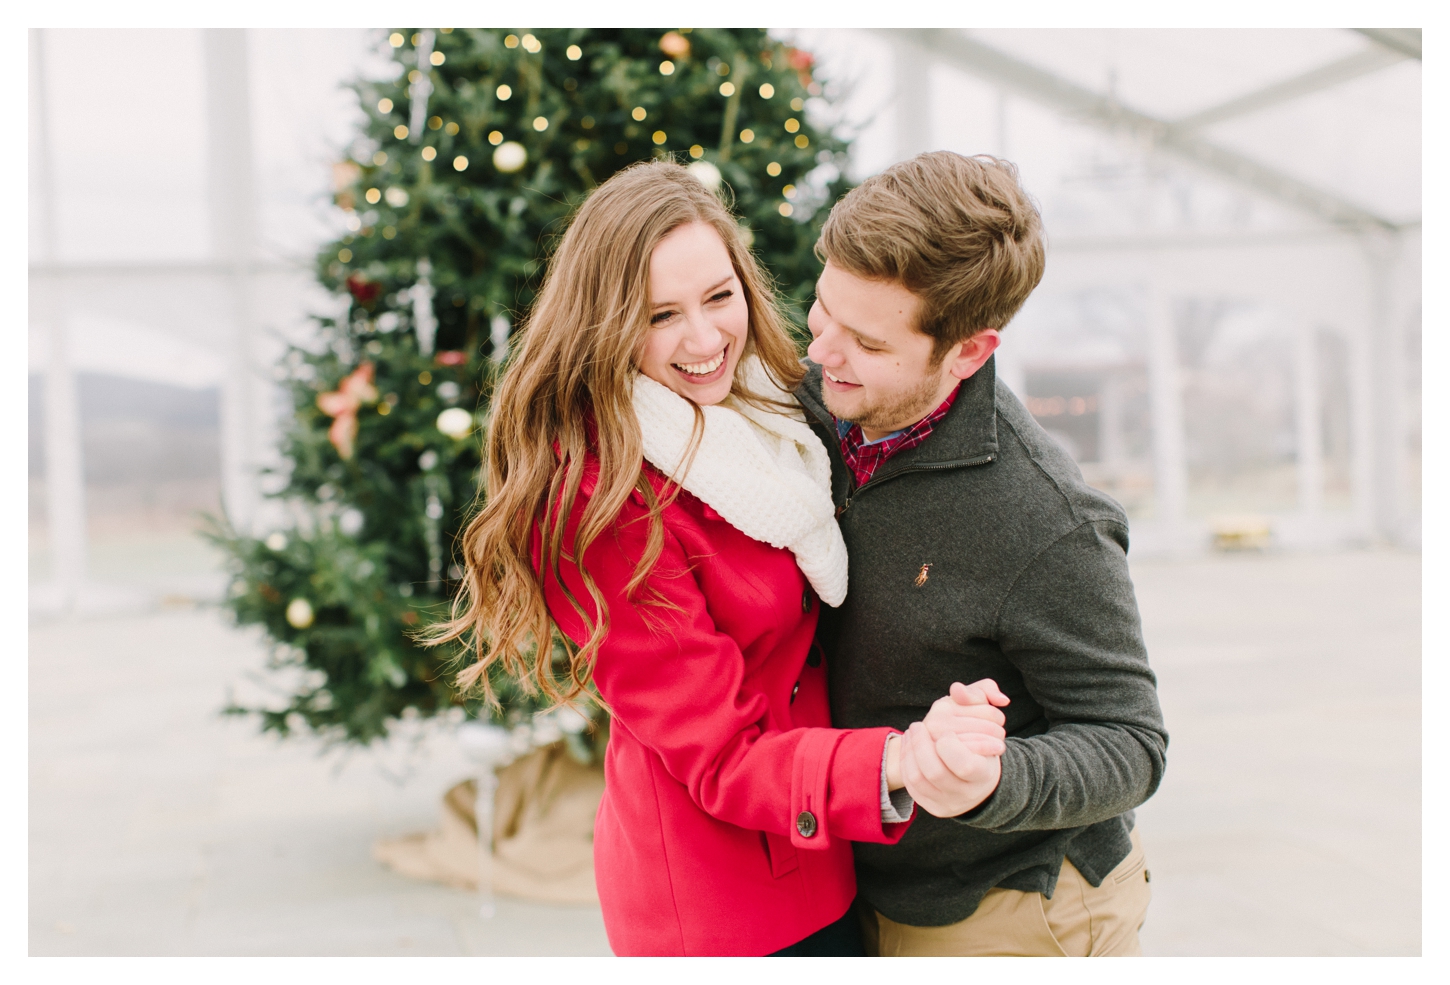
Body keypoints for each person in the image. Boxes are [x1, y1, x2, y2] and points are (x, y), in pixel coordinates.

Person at [432, 160, 1010, 957]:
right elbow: (723, 753)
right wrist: (902, 757)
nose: (704, 340)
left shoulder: (765, 409)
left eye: (718, 297)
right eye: (660, 314)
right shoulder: (603, 502)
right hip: (721, 908)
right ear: (603, 321)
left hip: (820, 860)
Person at [795, 151, 1170, 956]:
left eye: (864, 340)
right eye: (823, 308)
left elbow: (1131, 739)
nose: (822, 350)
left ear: (967, 352)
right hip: (857, 881)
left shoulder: (1048, 520)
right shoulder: (814, 403)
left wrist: (996, 780)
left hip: (1011, 909)